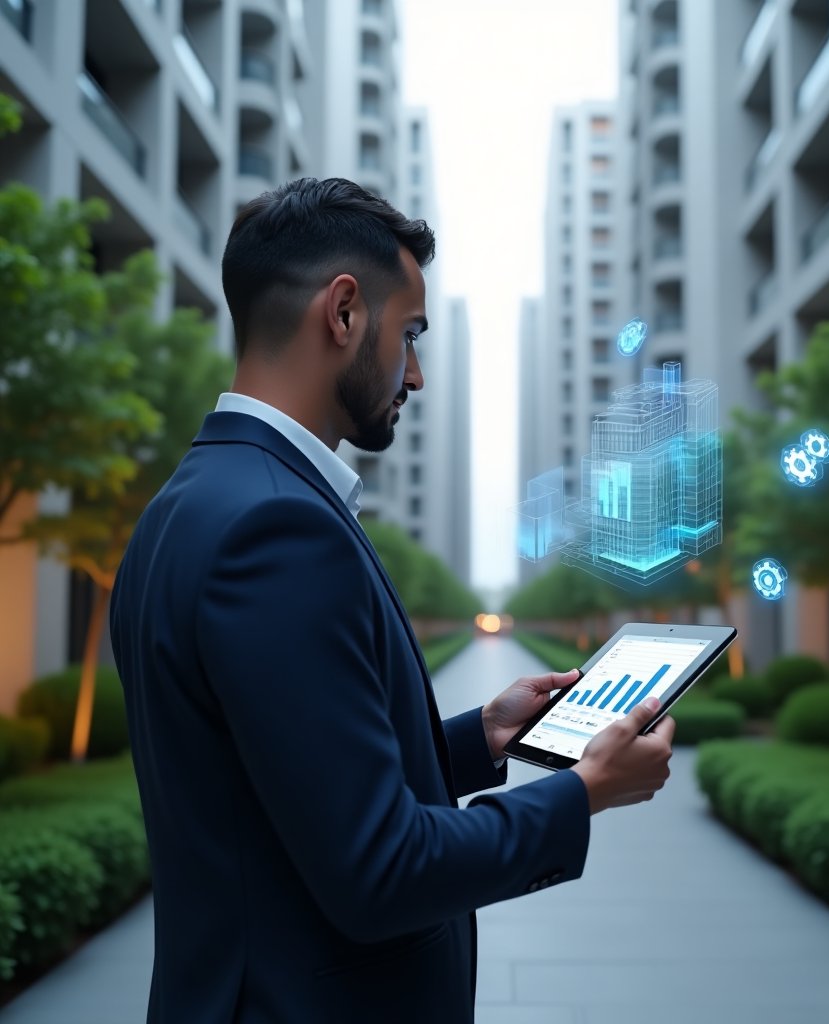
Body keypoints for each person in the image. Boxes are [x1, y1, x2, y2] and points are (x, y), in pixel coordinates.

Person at [110, 177, 675, 1024]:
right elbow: (381, 871)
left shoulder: (187, 504)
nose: (416, 373)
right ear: (343, 312)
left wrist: (479, 738)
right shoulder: (278, 529)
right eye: (409, 334)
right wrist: (584, 790)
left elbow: (273, 785)